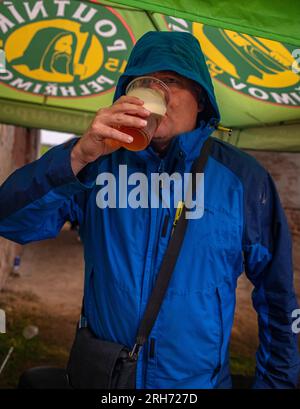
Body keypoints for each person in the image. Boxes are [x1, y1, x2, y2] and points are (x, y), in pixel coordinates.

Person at [0, 31, 299, 389]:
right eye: (143, 83)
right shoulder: (95, 162)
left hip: (195, 384)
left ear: (200, 97)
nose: (157, 93)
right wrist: (77, 157)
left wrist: (276, 383)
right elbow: (11, 220)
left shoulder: (243, 179)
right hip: (106, 379)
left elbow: (278, 298)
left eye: (171, 81)